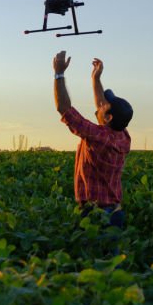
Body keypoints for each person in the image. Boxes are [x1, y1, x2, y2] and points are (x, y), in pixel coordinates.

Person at [52, 51, 133, 230]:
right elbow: (101, 107)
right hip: (115, 213)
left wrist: (59, 74)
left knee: (91, 256)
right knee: (111, 257)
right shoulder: (123, 137)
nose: (102, 104)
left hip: (96, 215)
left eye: (106, 104)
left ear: (109, 118)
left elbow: (64, 108)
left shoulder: (99, 137)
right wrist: (95, 79)